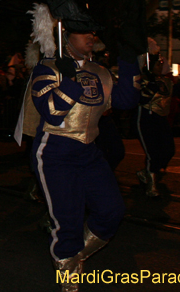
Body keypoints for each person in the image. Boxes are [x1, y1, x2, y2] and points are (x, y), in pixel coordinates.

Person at [26, 28, 125, 291]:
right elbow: (52, 112)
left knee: (111, 211)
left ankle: (72, 258)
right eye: (82, 32)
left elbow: (125, 102)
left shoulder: (101, 70)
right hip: (55, 152)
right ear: (65, 36)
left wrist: (129, 57)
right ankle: (69, 277)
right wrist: (69, 78)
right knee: (67, 221)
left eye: (93, 31)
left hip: (90, 150)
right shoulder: (46, 68)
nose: (91, 36)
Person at [135, 48, 175, 197]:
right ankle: (151, 185)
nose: (161, 67)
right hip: (146, 119)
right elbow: (141, 99)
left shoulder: (166, 81)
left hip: (161, 119)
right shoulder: (142, 80)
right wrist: (151, 86)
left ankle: (146, 173)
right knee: (153, 152)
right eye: (158, 64)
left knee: (168, 150)